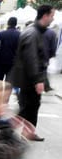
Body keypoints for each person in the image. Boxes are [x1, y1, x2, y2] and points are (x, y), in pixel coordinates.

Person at [11, 4, 55, 141]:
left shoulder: (36, 31)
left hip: (29, 78)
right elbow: (31, 59)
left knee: (31, 106)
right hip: (28, 79)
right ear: (45, 15)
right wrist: (38, 80)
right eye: (52, 16)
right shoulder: (32, 32)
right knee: (26, 107)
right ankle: (9, 132)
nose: (53, 19)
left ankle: (28, 132)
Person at [0, 17, 20, 82]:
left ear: (8, 23)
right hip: (13, 63)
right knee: (9, 84)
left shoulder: (1, 34)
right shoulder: (19, 35)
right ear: (16, 24)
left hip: (0, 63)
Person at [43, 27, 57, 91]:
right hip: (45, 55)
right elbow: (53, 46)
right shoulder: (51, 32)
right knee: (43, 71)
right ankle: (46, 86)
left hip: (33, 55)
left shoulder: (32, 30)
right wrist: (51, 55)